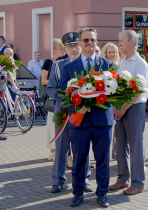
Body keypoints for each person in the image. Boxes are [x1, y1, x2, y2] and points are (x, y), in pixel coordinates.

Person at [58, 27, 114, 208]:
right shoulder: (69, 68)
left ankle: (102, 193)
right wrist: (78, 107)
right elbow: (61, 94)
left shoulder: (107, 65)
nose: (89, 43)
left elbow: (115, 93)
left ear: (97, 42)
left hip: (102, 122)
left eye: (92, 40)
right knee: (80, 160)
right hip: (80, 122)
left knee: (103, 160)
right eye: (85, 40)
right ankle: (77, 193)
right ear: (80, 43)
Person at [47, 32, 93, 194]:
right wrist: (69, 97)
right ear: (64, 49)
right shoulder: (58, 66)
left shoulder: (88, 65)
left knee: (83, 148)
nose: (74, 49)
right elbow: (51, 89)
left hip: (83, 113)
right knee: (61, 149)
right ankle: (58, 180)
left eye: (76, 45)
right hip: (64, 112)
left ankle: (85, 179)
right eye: (69, 46)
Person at [109, 30, 148, 195]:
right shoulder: (121, 64)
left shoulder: (141, 64)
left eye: (121, 41)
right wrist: (115, 108)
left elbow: (139, 91)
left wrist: (122, 108)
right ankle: (122, 179)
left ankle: (138, 183)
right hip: (120, 109)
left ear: (132, 42)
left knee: (135, 146)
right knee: (120, 146)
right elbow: (113, 87)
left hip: (134, 108)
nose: (119, 44)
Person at [42, 39, 65, 161]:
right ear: (55, 50)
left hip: (63, 97)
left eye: (63, 48)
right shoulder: (49, 62)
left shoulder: (66, 62)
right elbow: (43, 80)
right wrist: (55, 83)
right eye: (61, 49)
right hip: (53, 95)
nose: (63, 51)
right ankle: (52, 150)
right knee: (52, 124)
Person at [101, 42, 120, 160]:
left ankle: (117, 152)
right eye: (110, 52)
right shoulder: (104, 65)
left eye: (114, 52)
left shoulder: (120, 64)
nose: (112, 54)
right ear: (105, 53)